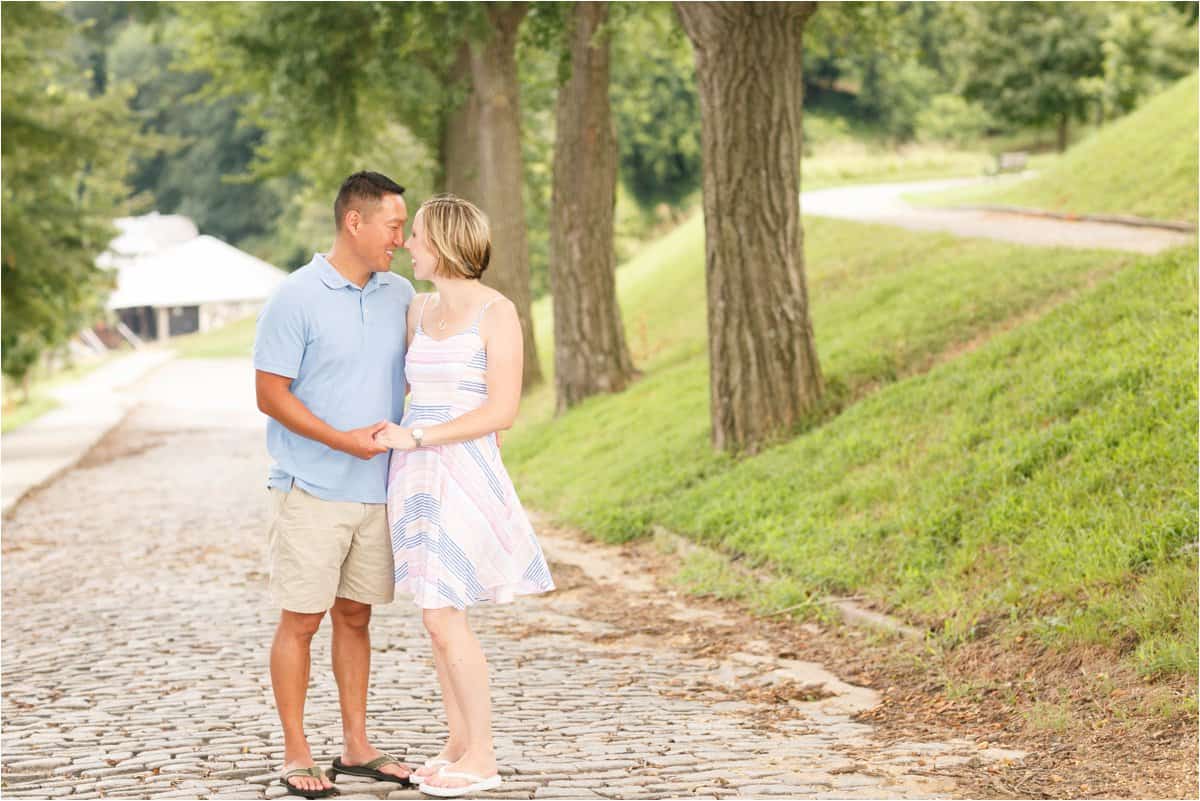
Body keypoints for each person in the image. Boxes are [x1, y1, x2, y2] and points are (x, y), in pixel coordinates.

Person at [374, 194, 555, 798]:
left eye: (418, 235)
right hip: (415, 475)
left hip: (460, 469)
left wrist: (420, 434)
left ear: (445, 243)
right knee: (434, 616)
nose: (408, 244)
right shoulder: (418, 309)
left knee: (444, 614)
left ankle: (483, 755)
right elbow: (403, 384)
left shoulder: (497, 312)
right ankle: (456, 743)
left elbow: (502, 409)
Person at [254, 171, 417, 798]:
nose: (399, 239)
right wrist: (340, 440)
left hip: (376, 488)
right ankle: (297, 752)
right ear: (356, 222)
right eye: (393, 226)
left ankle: (356, 746)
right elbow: (270, 394)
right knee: (302, 620)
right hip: (311, 486)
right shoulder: (294, 297)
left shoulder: (398, 293)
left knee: (356, 617)